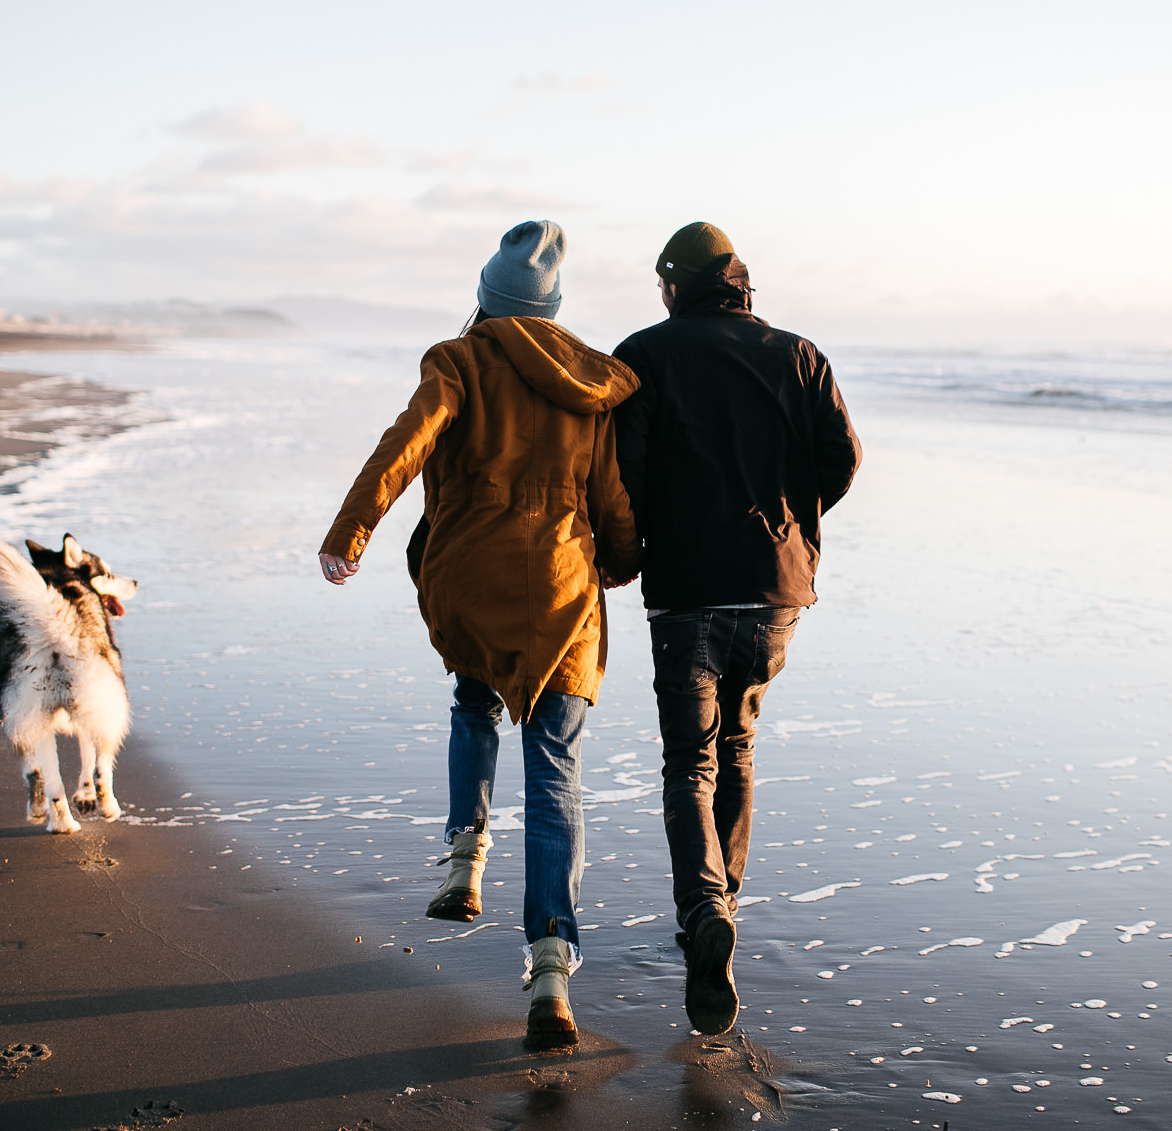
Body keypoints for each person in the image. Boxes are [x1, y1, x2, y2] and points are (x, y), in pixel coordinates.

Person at [317, 221, 641, 1052]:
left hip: (470, 577)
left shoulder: (458, 361)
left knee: (474, 695)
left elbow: (407, 442)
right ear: (554, 307)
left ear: (485, 299)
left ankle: (466, 861)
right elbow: (612, 509)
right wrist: (628, 561)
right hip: (561, 594)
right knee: (555, 771)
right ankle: (551, 970)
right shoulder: (588, 383)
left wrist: (349, 533)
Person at [612, 222, 862, 1036]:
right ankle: (726, 905)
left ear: (677, 284)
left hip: (686, 589)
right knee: (740, 745)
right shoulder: (800, 354)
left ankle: (704, 911)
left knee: (690, 760)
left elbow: (629, 476)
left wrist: (639, 545)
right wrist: (789, 521)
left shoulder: (645, 355)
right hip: (775, 587)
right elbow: (843, 459)